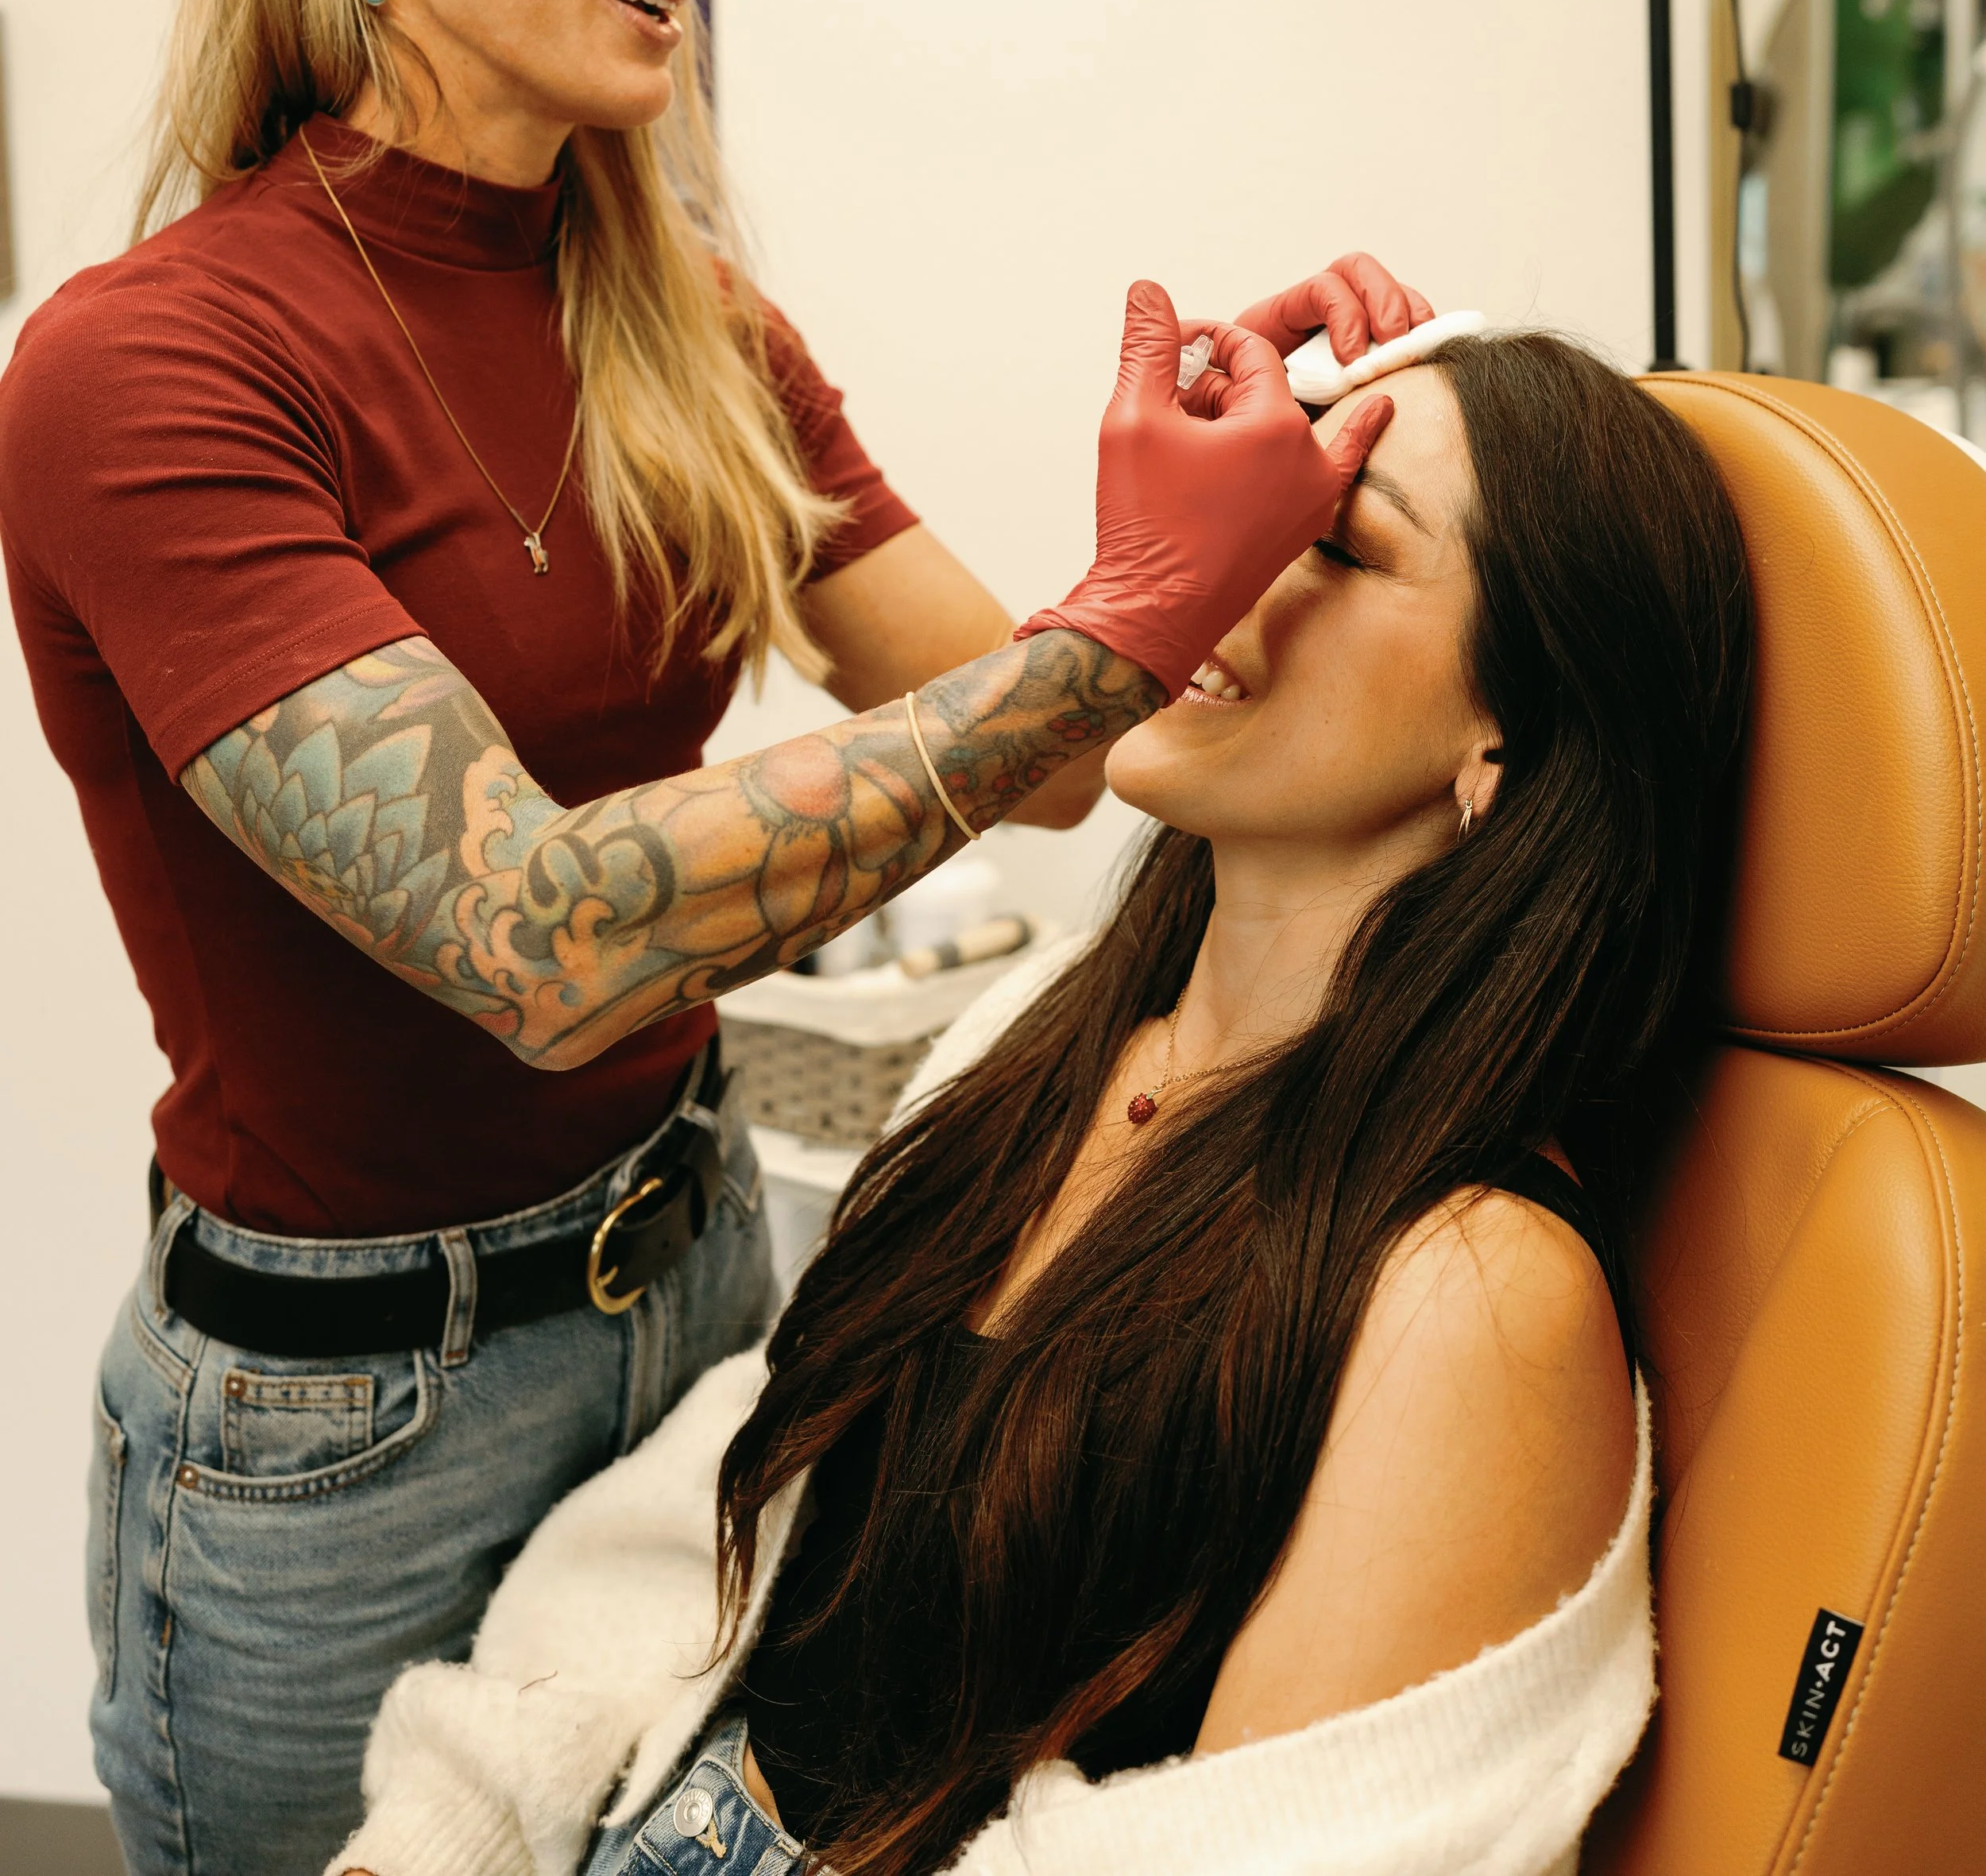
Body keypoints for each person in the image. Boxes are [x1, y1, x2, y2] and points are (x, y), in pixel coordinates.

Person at [0, 0, 1429, 1876]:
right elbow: (541, 937)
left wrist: (1204, 498)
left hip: (698, 1278)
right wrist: (1125, 614)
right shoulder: (148, 368)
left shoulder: (690, 327)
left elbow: (1048, 756)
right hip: (345, 1423)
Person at [330, 328, 1754, 1876]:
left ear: (1511, 734)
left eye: (1334, 540)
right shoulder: (1047, 1029)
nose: (1219, 565)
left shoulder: (1470, 1296)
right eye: (1254, 504)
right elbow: (712, 1543)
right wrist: (449, 1832)